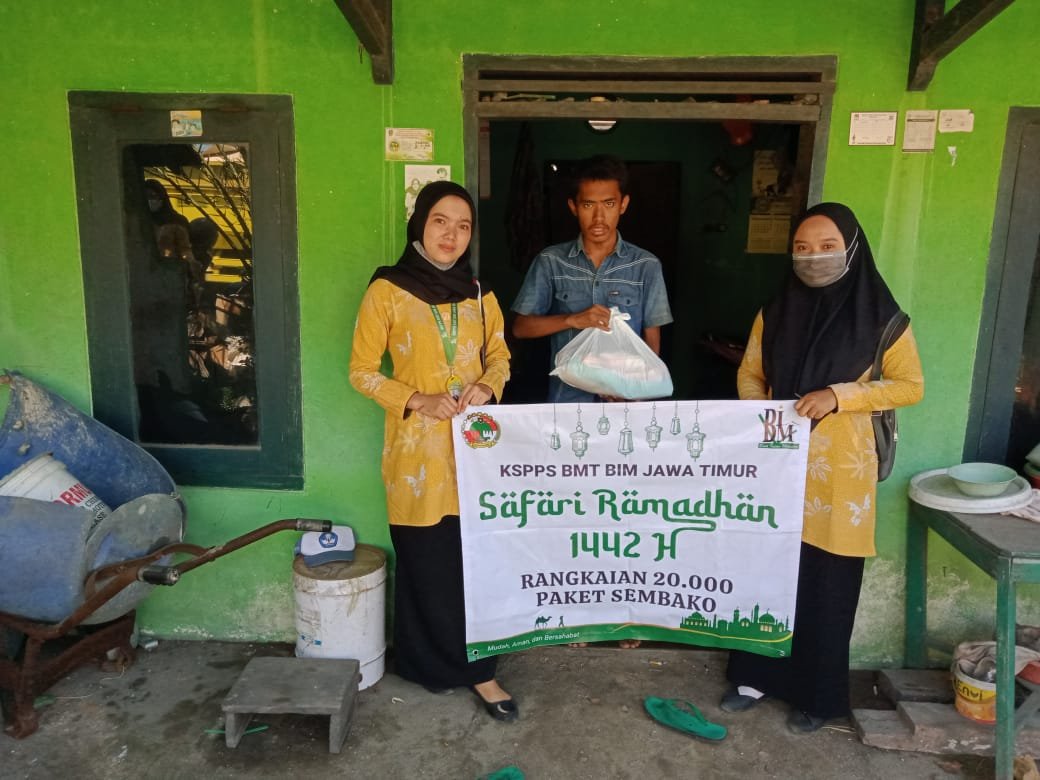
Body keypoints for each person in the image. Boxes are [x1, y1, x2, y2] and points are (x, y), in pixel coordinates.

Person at [720, 202, 924, 734]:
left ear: (852, 249)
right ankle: (754, 678)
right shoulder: (775, 312)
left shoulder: (885, 320)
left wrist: (840, 395)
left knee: (826, 585)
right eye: (803, 248)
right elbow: (750, 372)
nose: (814, 257)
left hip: (840, 477)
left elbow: (909, 386)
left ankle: (816, 697)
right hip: (776, 466)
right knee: (767, 573)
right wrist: (762, 414)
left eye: (828, 247)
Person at [349, 180, 517, 721]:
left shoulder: (479, 294)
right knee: (427, 561)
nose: (452, 234)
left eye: (463, 225)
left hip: (475, 452)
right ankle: (427, 664)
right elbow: (361, 372)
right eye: (441, 221)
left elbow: (501, 357)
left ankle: (480, 672)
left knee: (474, 562)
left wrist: (487, 386)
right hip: (416, 456)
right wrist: (416, 399)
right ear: (420, 223)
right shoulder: (387, 290)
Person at [511, 154, 673, 405]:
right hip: (568, 403)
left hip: (625, 404)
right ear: (573, 207)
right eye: (588, 205)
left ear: (623, 204)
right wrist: (572, 319)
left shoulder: (645, 266)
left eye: (609, 204)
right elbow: (521, 328)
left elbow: (652, 343)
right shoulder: (551, 262)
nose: (599, 217)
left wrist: (635, 389)